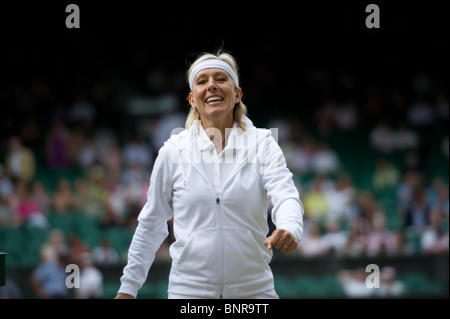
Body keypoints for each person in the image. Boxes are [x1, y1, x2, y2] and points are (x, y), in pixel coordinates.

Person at [115, 51, 304, 299]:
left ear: (237, 94)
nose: (212, 85)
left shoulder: (264, 144)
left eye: (220, 78)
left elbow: (286, 196)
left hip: (255, 293)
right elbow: (151, 223)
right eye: (202, 81)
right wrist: (128, 288)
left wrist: (290, 226)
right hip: (188, 294)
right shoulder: (173, 151)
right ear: (193, 99)